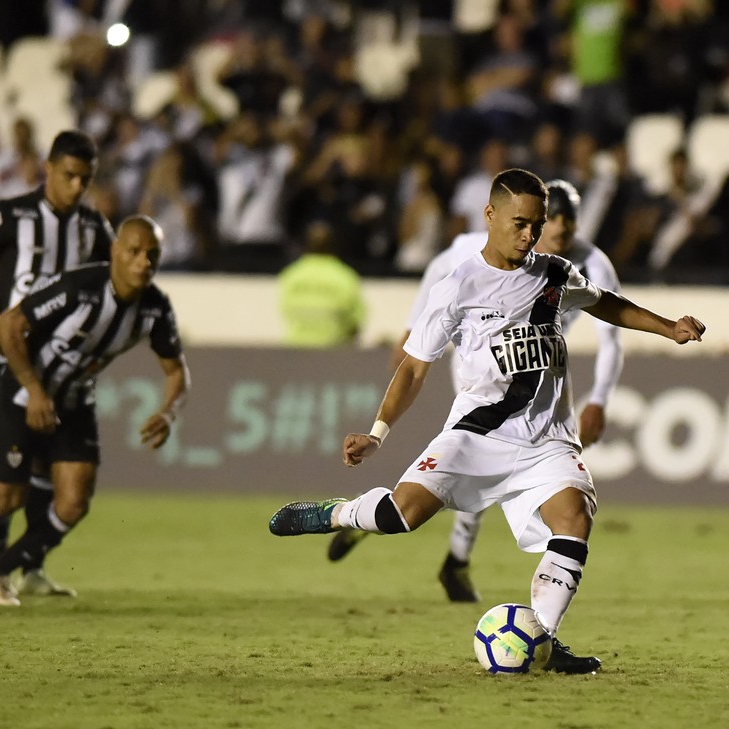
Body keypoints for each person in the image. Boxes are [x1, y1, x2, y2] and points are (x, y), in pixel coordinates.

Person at [268, 169, 705, 674]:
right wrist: (377, 433)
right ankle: (335, 515)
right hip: (477, 434)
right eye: (520, 223)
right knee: (400, 516)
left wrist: (668, 326)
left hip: (546, 441)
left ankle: (542, 638)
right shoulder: (459, 286)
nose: (529, 235)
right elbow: (413, 367)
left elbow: (604, 302)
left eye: (536, 226)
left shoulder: (554, 274)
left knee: (575, 522)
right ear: (490, 216)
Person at [328, 180, 625, 604]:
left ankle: (425, 541)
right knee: (484, 457)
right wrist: (413, 325)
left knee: (504, 469)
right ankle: (451, 556)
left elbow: (611, 329)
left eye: (563, 221)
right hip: (484, 369)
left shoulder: (587, 262)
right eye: (548, 219)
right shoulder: (479, 246)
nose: (555, 229)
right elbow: (439, 272)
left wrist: (599, 398)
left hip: (539, 375)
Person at [0, 215, 190, 607]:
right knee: (6, 499)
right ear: (116, 251)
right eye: (134, 252)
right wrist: (34, 390)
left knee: (73, 502)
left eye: (152, 255)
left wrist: (169, 412)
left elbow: (175, 370)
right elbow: (9, 327)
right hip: (21, 390)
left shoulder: (155, 307)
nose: (143, 262)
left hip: (75, 402)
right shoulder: (78, 287)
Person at [0, 129, 116, 597]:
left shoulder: (94, 228)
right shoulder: (11, 215)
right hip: (17, 358)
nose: (76, 187)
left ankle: (30, 569)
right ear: (47, 169)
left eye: (84, 180)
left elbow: (113, 288)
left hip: (65, 368)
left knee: (54, 469)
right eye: (69, 176)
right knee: (11, 474)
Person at [278, 219, 366, 347]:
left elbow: (285, 309)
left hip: (296, 348)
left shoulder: (292, 274)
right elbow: (355, 321)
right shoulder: (344, 275)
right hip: (332, 351)